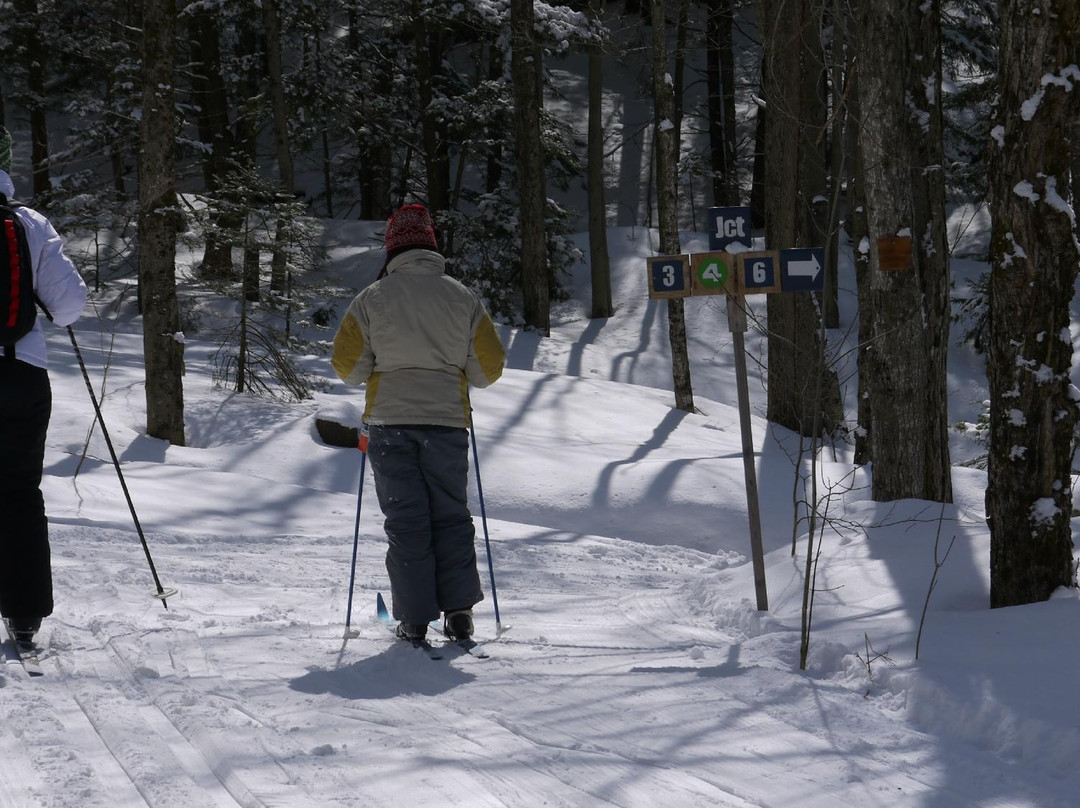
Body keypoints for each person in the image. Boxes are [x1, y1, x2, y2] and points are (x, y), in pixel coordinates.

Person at [331, 203, 504, 643]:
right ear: (431, 245)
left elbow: (348, 368)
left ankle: (413, 619)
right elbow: (487, 370)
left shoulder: (371, 298)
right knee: (451, 514)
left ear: (392, 248)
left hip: (390, 422)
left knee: (406, 519)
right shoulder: (462, 297)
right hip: (446, 422)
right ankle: (459, 612)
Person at [0, 125, 88, 647]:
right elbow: (70, 306)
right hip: (20, 372)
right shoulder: (29, 223)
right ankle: (24, 613)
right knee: (17, 491)